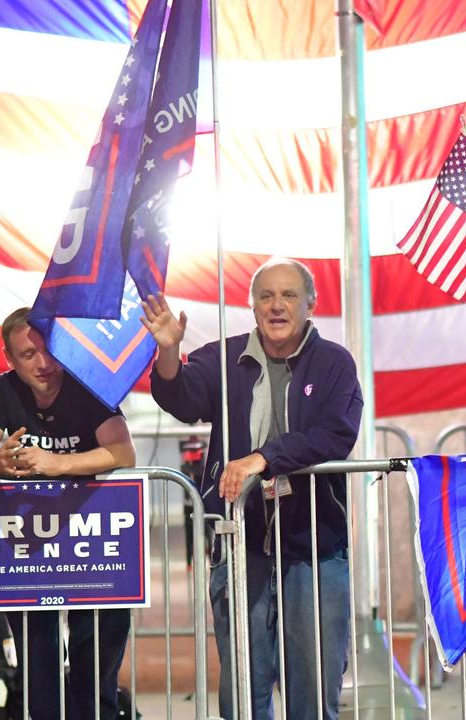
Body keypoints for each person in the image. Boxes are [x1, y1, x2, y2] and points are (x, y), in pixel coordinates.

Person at [139, 258, 362, 720]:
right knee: (244, 687)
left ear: (311, 304)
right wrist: (166, 355)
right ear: (252, 304)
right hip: (241, 545)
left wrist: (264, 458)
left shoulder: (334, 362)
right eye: (265, 296)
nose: (276, 306)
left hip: (314, 546)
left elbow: (335, 434)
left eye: (288, 296)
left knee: (313, 687)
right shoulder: (224, 357)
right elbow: (181, 398)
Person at [0, 307, 136, 720]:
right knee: (39, 670)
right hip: (32, 550)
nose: (44, 364)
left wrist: (57, 463)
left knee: (96, 667)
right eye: (28, 355)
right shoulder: (1, 391)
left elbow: (123, 452)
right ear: (9, 359)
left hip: (94, 543)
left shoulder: (88, 384)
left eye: (49, 350)